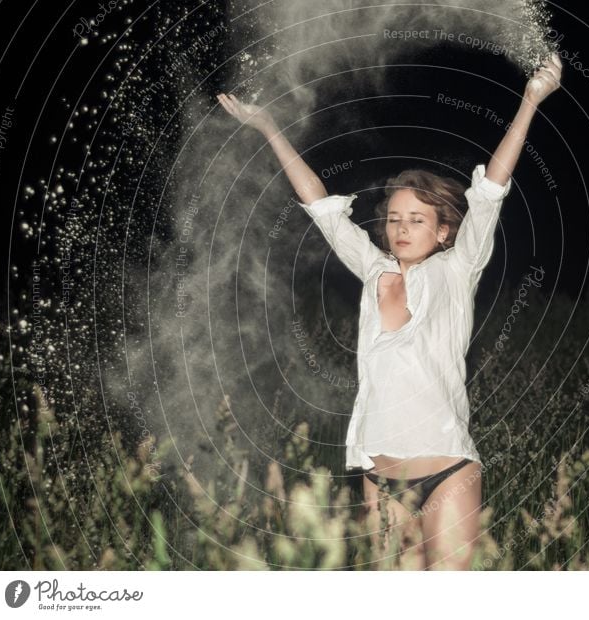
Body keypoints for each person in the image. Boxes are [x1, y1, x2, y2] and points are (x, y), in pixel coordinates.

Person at [217, 52, 562, 569]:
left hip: (447, 468)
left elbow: (490, 188)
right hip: (378, 474)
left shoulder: (458, 267)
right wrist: (268, 126)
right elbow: (318, 202)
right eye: (395, 218)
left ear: (443, 230)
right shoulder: (373, 268)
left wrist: (531, 99)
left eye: (417, 219)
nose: (401, 228)